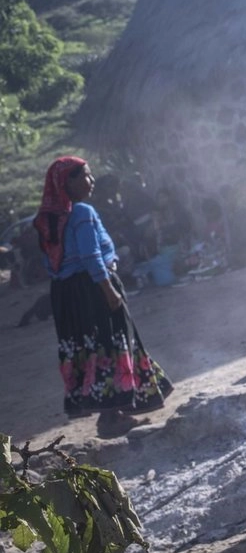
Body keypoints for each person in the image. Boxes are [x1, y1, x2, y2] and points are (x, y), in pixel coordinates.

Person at [33, 157, 174, 438]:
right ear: (67, 183)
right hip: (94, 287)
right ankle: (110, 418)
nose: (91, 180)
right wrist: (108, 289)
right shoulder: (82, 213)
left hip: (67, 294)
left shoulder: (48, 219)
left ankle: (113, 413)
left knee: (88, 348)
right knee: (110, 343)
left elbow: (50, 263)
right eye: (85, 175)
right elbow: (91, 256)